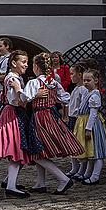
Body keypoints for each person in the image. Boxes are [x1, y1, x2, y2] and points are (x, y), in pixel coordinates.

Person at [21, 52, 82, 194]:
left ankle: (63, 178)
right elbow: (65, 98)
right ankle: (40, 183)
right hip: (51, 116)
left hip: (40, 117)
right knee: (42, 150)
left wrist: (20, 91)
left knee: (37, 152)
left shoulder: (34, 83)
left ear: (36, 66)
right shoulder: (54, 83)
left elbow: (25, 98)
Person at [0, 50, 32, 198]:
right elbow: (18, 100)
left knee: (20, 150)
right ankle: (11, 186)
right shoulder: (12, 78)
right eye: (23, 62)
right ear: (14, 63)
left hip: (15, 113)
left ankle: (9, 181)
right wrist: (24, 92)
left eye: (27, 62)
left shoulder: (15, 77)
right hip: (13, 113)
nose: (26, 65)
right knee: (16, 149)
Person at [71, 68, 106, 185]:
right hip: (83, 122)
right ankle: (88, 173)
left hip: (92, 125)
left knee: (96, 151)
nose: (86, 82)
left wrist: (88, 128)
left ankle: (95, 175)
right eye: (84, 80)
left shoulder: (95, 95)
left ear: (96, 80)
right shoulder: (87, 93)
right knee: (90, 151)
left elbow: (93, 113)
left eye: (89, 80)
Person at [64, 64, 86, 179]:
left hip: (78, 119)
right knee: (72, 143)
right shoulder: (75, 88)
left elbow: (81, 105)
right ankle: (74, 166)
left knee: (78, 143)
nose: (70, 76)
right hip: (72, 118)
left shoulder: (83, 89)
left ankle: (82, 167)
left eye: (72, 74)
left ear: (80, 75)